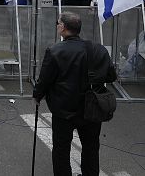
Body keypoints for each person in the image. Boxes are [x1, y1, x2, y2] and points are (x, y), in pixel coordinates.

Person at [33, 12, 117, 176]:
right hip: (93, 106)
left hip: (64, 109)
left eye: (58, 23)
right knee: (91, 147)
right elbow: (111, 76)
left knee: (61, 149)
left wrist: (37, 95)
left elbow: (44, 80)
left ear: (63, 27)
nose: (57, 26)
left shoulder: (55, 51)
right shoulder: (98, 49)